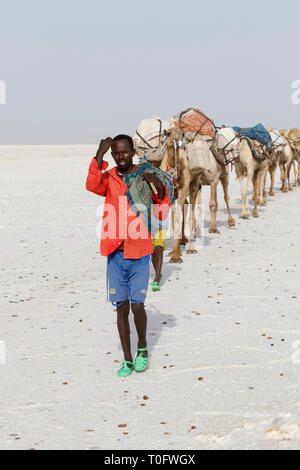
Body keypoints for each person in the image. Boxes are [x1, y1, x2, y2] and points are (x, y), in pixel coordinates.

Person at [86, 135, 170, 377]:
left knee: (137, 306)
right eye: (116, 154)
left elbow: (162, 203)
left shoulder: (144, 173)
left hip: (140, 250)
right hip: (115, 252)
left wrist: (157, 182)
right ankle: (127, 358)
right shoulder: (110, 177)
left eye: (124, 152)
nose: (121, 157)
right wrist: (99, 155)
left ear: (133, 151)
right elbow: (92, 185)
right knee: (121, 307)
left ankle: (142, 348)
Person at [146, 153, 176, 292]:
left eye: (155, 163)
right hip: (145, 216)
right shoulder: (141, 176)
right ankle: (158, 272)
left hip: (160, 214)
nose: (153, 165)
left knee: (159, 247)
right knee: (152, 250)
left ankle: (157, 277)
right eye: (150, 162)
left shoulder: (163, 178)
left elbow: (164, 197)